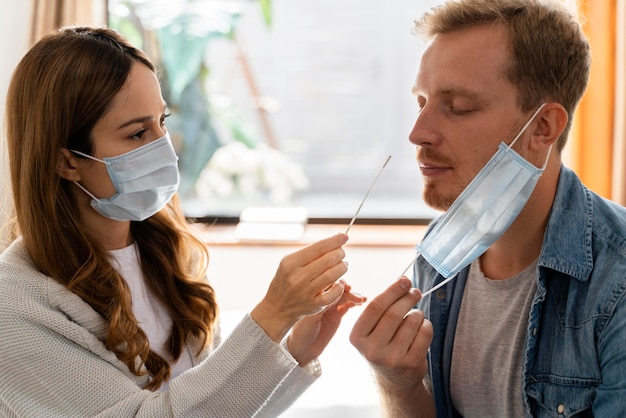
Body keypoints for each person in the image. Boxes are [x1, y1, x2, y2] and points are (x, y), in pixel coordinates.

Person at [0, 26, 366, 417]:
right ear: (66, 161)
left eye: (163, 121)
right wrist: (272, 315)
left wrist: (294, 349)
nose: (164, 146)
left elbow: (218, 407)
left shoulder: (167, 252)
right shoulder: (15, 306)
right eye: (138, 133)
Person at [350, 0, 626, 416]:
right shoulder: (439, 253)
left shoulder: (617, 280)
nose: (418, 132)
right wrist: (399, 385)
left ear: (542, 127)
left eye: (457, 107)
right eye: (421, 102)